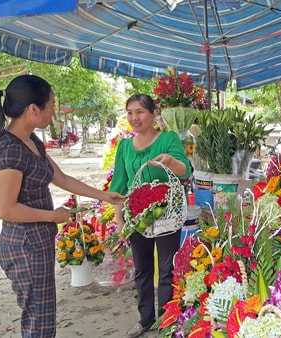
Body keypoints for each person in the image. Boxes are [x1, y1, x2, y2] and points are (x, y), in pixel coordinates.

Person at [0, 74, 125, 338]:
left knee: (42, 315)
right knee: (39, 320)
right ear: (33, 109)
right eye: (51, 105)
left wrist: (104, 196)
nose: (53, 112)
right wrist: (52, 215)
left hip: (37, 243)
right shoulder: (10, 149)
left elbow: (61, 178)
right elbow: (5, 209)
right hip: (24, 246)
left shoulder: (32, 141)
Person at [110, 94, 191, 338]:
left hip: (167, 214)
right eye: (130, 112)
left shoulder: (168, 139)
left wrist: (168, 160)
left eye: (140, 112)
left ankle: (166, 323)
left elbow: (184, 169)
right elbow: (120, 184)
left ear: (154, 114)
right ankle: (146, 319)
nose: (134, 118)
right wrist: (119, 219)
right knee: (142, 269)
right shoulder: (124, 146)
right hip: (138, 217)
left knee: (166, 269)